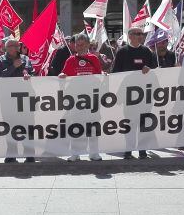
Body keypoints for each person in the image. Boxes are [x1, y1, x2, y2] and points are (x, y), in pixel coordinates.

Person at [59, 33, 104, 162]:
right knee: (76, 127)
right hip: (76, 100)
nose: (79, 47)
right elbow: (64, 73)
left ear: (88, 45)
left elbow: (98, 76)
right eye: (77, 45)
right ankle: (75, 153)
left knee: (93, 126)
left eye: (82, 44)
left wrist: (103, 75)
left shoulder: (94, 59)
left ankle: (94, 153)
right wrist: (62, 74)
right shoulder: (70, 60)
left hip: (92, 98)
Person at [113, 26, 156, 159]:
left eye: (141, 34)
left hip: (144, 95)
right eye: (137, 34)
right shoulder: (122, 52)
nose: (140, 36)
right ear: (130, 36)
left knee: (143, 123)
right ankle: (129, 149)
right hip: (128, 95)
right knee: (130, 123)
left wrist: (149, 69)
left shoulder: (147, 51)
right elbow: (115, 72)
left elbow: (156, 69)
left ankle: (142, 150)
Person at [0, 38, 35, 163]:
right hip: (8, 100)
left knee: (28, 127)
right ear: (6, 48)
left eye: (17, 45)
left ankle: (29, 154)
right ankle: (11, 154)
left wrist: (28, 75)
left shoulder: (25, 59)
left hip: (25, 99)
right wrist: (12, 67)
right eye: (11, 45)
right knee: (10, 127)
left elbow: (32, 72)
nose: (15, 48)